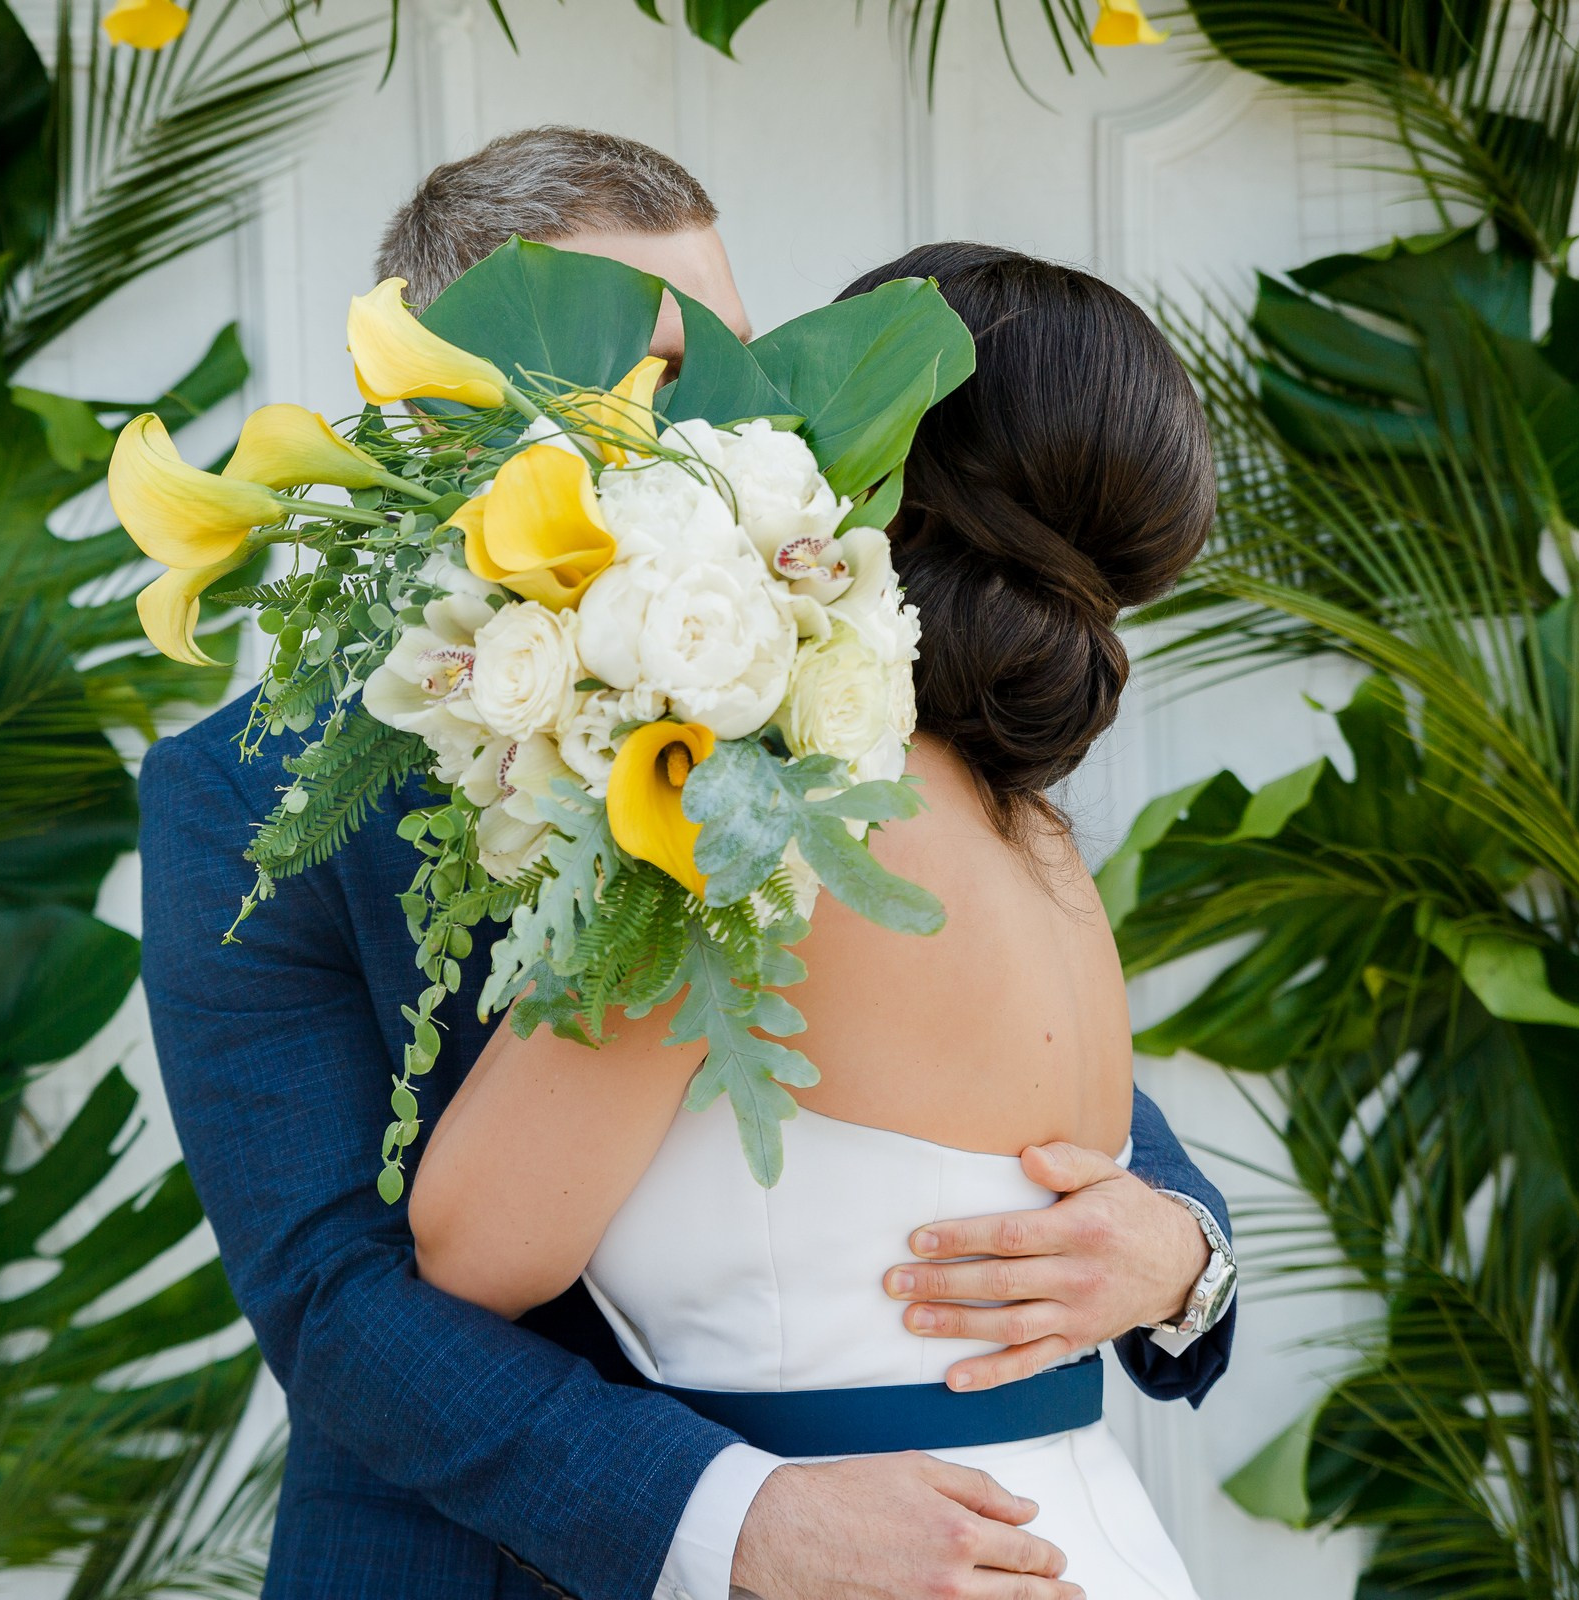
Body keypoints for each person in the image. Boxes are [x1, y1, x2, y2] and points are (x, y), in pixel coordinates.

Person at [139, 130, 1237, 1600]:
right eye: (646, 369)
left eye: (729, 361)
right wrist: (737, 1520)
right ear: (429, 403)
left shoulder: (813, 738)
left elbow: (1013, 1099)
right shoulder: (239, 798)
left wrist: (1180, 1253)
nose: (715, 419)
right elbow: (335, 1296)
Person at [409, 241, 1224, 1599]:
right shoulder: (1042, 854)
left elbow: (472, 1245)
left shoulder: (769, 821)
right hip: (1086, 1542)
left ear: (880, 447)